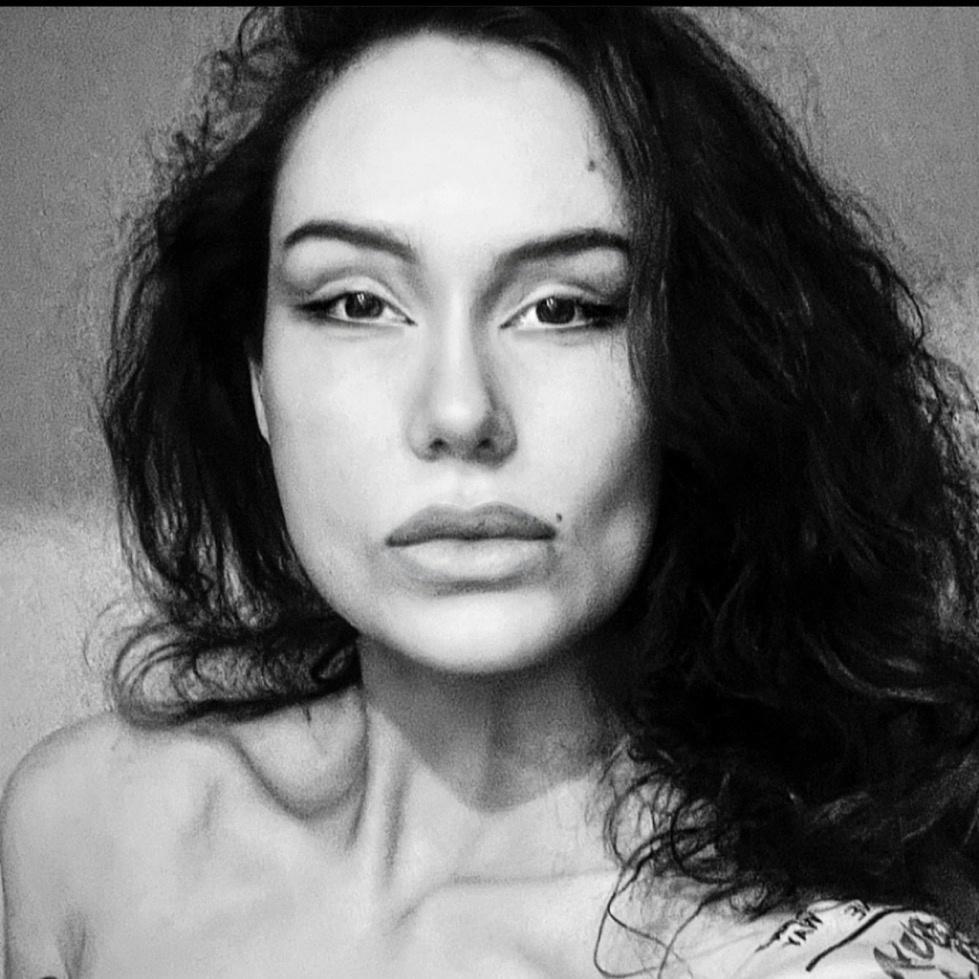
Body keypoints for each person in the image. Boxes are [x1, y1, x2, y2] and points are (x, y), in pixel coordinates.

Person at [3, 6, 979, 977]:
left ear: (695, 369)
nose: (460, 410)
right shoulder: (91, 836)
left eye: (563, 308)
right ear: (258, 376)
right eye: (356, 302)